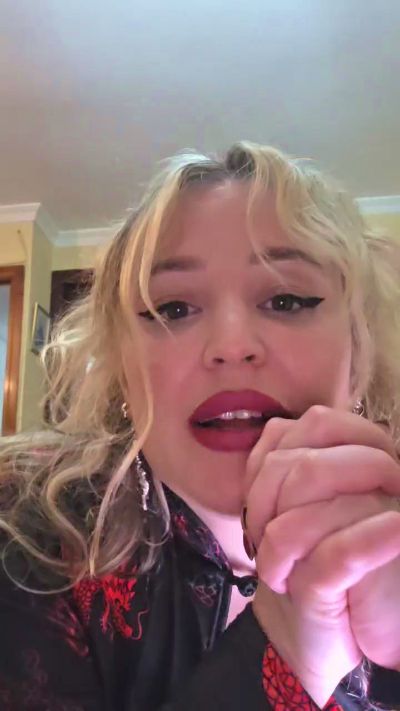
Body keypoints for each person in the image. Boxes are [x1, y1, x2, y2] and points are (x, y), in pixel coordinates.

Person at [1, 141, 400, 711]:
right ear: (123, 374)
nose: (232, 346)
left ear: (358, 357)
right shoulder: (26, 536)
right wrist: (293, 649)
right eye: (173, 309)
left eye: (287, 300)